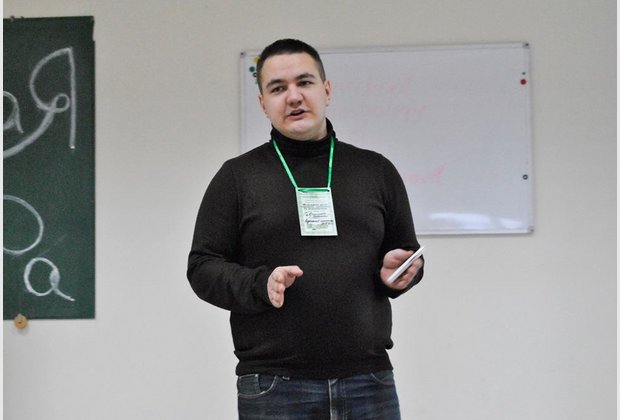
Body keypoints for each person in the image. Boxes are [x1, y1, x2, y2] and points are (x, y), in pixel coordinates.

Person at [187, 38, 424, 419]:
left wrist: (397, 275)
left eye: (305, 82)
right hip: (274, 384)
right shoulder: (237, 178)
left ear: (326, 90)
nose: (294, 96)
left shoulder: (375, 170)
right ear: (263, 103)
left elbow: (406, 255)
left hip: (368, 379)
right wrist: (260, 284)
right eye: (278, 88)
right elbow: (202, 268)